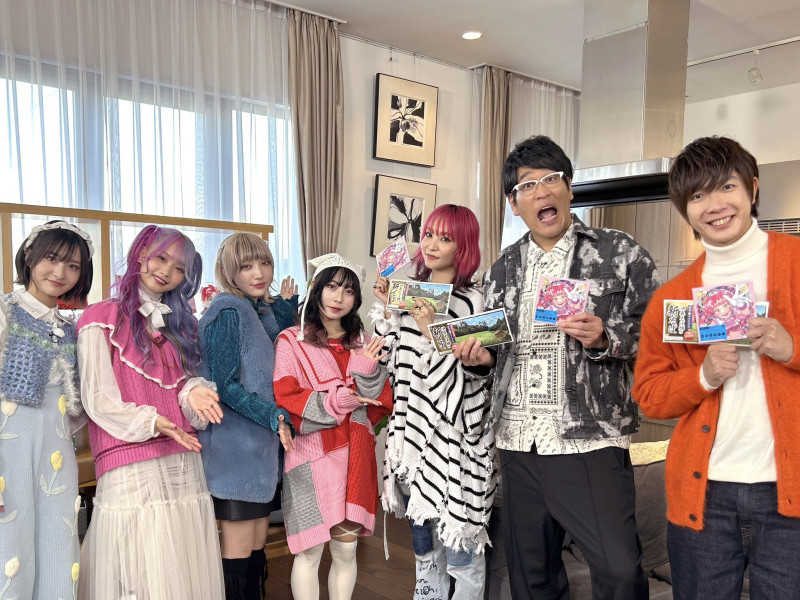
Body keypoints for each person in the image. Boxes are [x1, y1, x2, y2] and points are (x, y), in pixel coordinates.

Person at [456, 135, 659, 600]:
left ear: (569, 188)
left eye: (551, 179)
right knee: (532, 577)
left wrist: (606, 338)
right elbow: (497, 355)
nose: (541, 191)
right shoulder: (501, 269)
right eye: (527, 185)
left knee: (619, 571)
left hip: (589, 438)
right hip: (517, 440)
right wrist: (482, 361)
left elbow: (657, 336)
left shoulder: (619, 252)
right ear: (514, 204)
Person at [633, 136, 800, 600]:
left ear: (752, 187)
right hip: (703, 496)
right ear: (685, 210)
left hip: (789, 492)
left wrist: (792, 349)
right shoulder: (672, 298)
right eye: (698, 195)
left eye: (726, 186)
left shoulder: (795, 265)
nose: (715, 205)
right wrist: (703, 376)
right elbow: (649, 395)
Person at [76, 225, 224, 599]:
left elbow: (180, 387)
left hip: (181, 459)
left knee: (178, 565)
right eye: (161, 257)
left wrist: (195, 393)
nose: (167, 271)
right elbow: (98, 399)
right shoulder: (101, 317)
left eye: (179, 268)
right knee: (136, 570)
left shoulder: (180, 328)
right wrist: (153, 421)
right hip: (128, 460)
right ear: (141, 253)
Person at [371, 204, 496, 600]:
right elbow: (394, 367)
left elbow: (467, 381)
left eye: (445, 237)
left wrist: (432, 330)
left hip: (455, 444)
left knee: (462, 556)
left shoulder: (473, 302)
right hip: (411, 439)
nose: (432, 244)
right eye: (428, 234)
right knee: (425, 555)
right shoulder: (409, 296)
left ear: (464, 245)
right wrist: (390, 313)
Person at [273, 253, 392, 600]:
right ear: (317, 288)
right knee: (309, 551)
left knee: (345, 550)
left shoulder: (365, 342)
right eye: (332, 287)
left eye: (349, 291)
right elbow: (287, 396)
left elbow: (379, 403)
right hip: (309, 458)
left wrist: (363, 374)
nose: (339, 297)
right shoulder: (291, 340)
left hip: (356, 457)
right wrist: (342, 399)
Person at [198, 232, 297, 599]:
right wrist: (273, 416)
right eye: (246, 266)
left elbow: (277, 360)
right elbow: (224, 385)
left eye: (265, 263)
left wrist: (285, 310)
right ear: (228, 271)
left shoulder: (259, 310)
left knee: (256, 546)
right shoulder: (227, 310)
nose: (259, 273)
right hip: (234, 450)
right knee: (239, 552)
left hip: (261, 452)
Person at [0, 221, 93, 599]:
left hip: (56, 450)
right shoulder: (5, 311)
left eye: (72, 266)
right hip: (8, 448)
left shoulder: (71, 330)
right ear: (29, 257)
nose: (60, 272)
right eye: (51, 259)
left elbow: (77, 404)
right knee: (10, 544)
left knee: (58, 543)